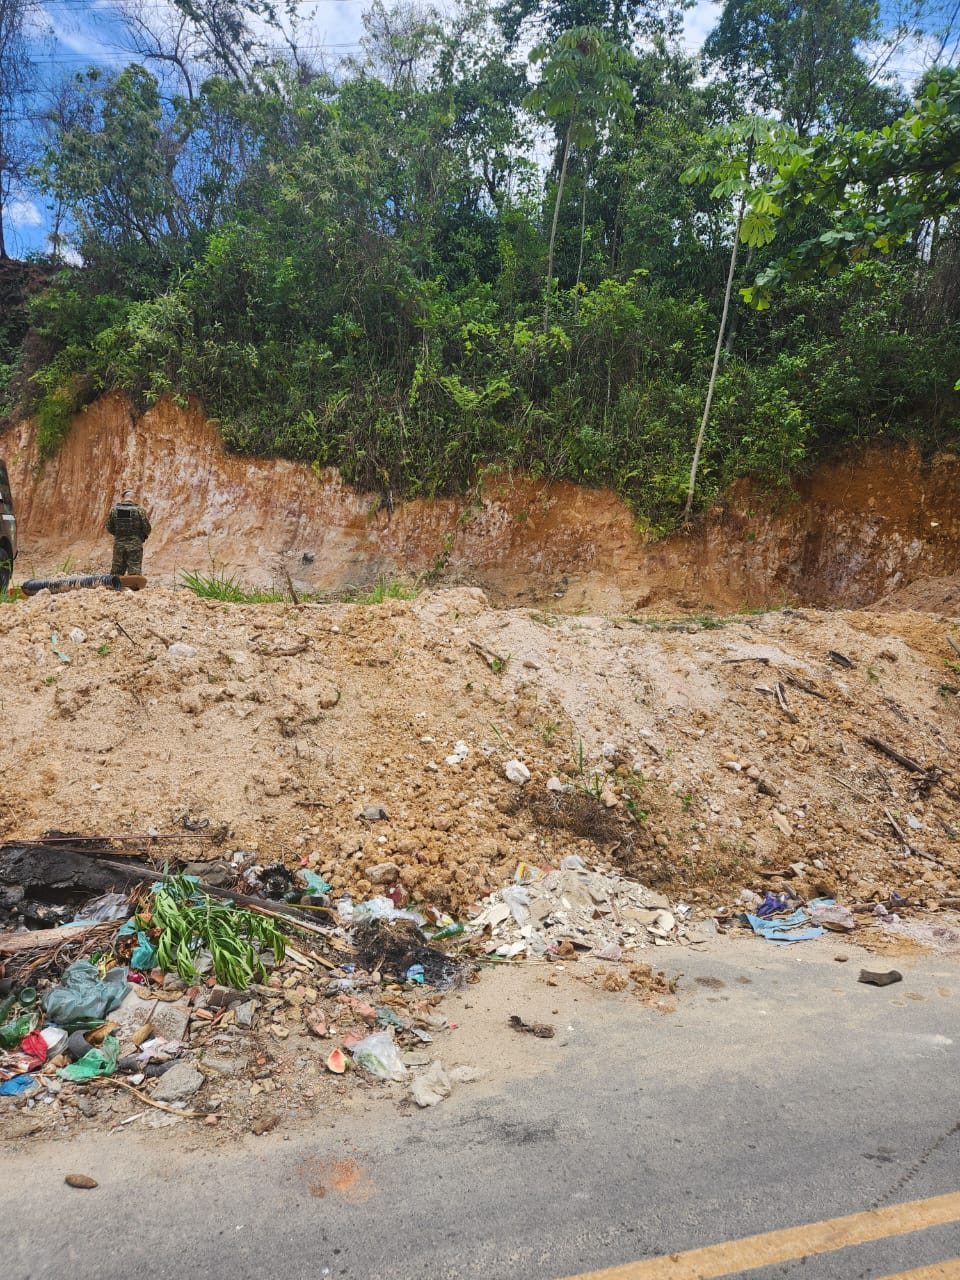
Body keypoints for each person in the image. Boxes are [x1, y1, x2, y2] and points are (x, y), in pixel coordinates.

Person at [106, 489, 151, 575]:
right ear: (134, 499)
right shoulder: (139, 510)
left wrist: (119, 535)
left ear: (123, 498)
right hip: (135, 543)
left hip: (119, 544)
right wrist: (141, 537)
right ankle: (134, 586)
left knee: (117, 567)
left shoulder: (114, 510)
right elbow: (147, 528)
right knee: (135, 567)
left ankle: (115, 585)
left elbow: (109, 527)